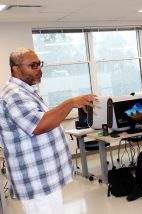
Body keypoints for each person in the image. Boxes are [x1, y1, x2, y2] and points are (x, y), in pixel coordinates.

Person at [0, 48, 97, 214]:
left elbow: (45, 119)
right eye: (33, 65)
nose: (39, 69)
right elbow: (39, 126)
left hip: (44, 176)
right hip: (35, 179)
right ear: (16, 69)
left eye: (39, 64)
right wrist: (71, 103)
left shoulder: (26, 92)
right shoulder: (14, 95)